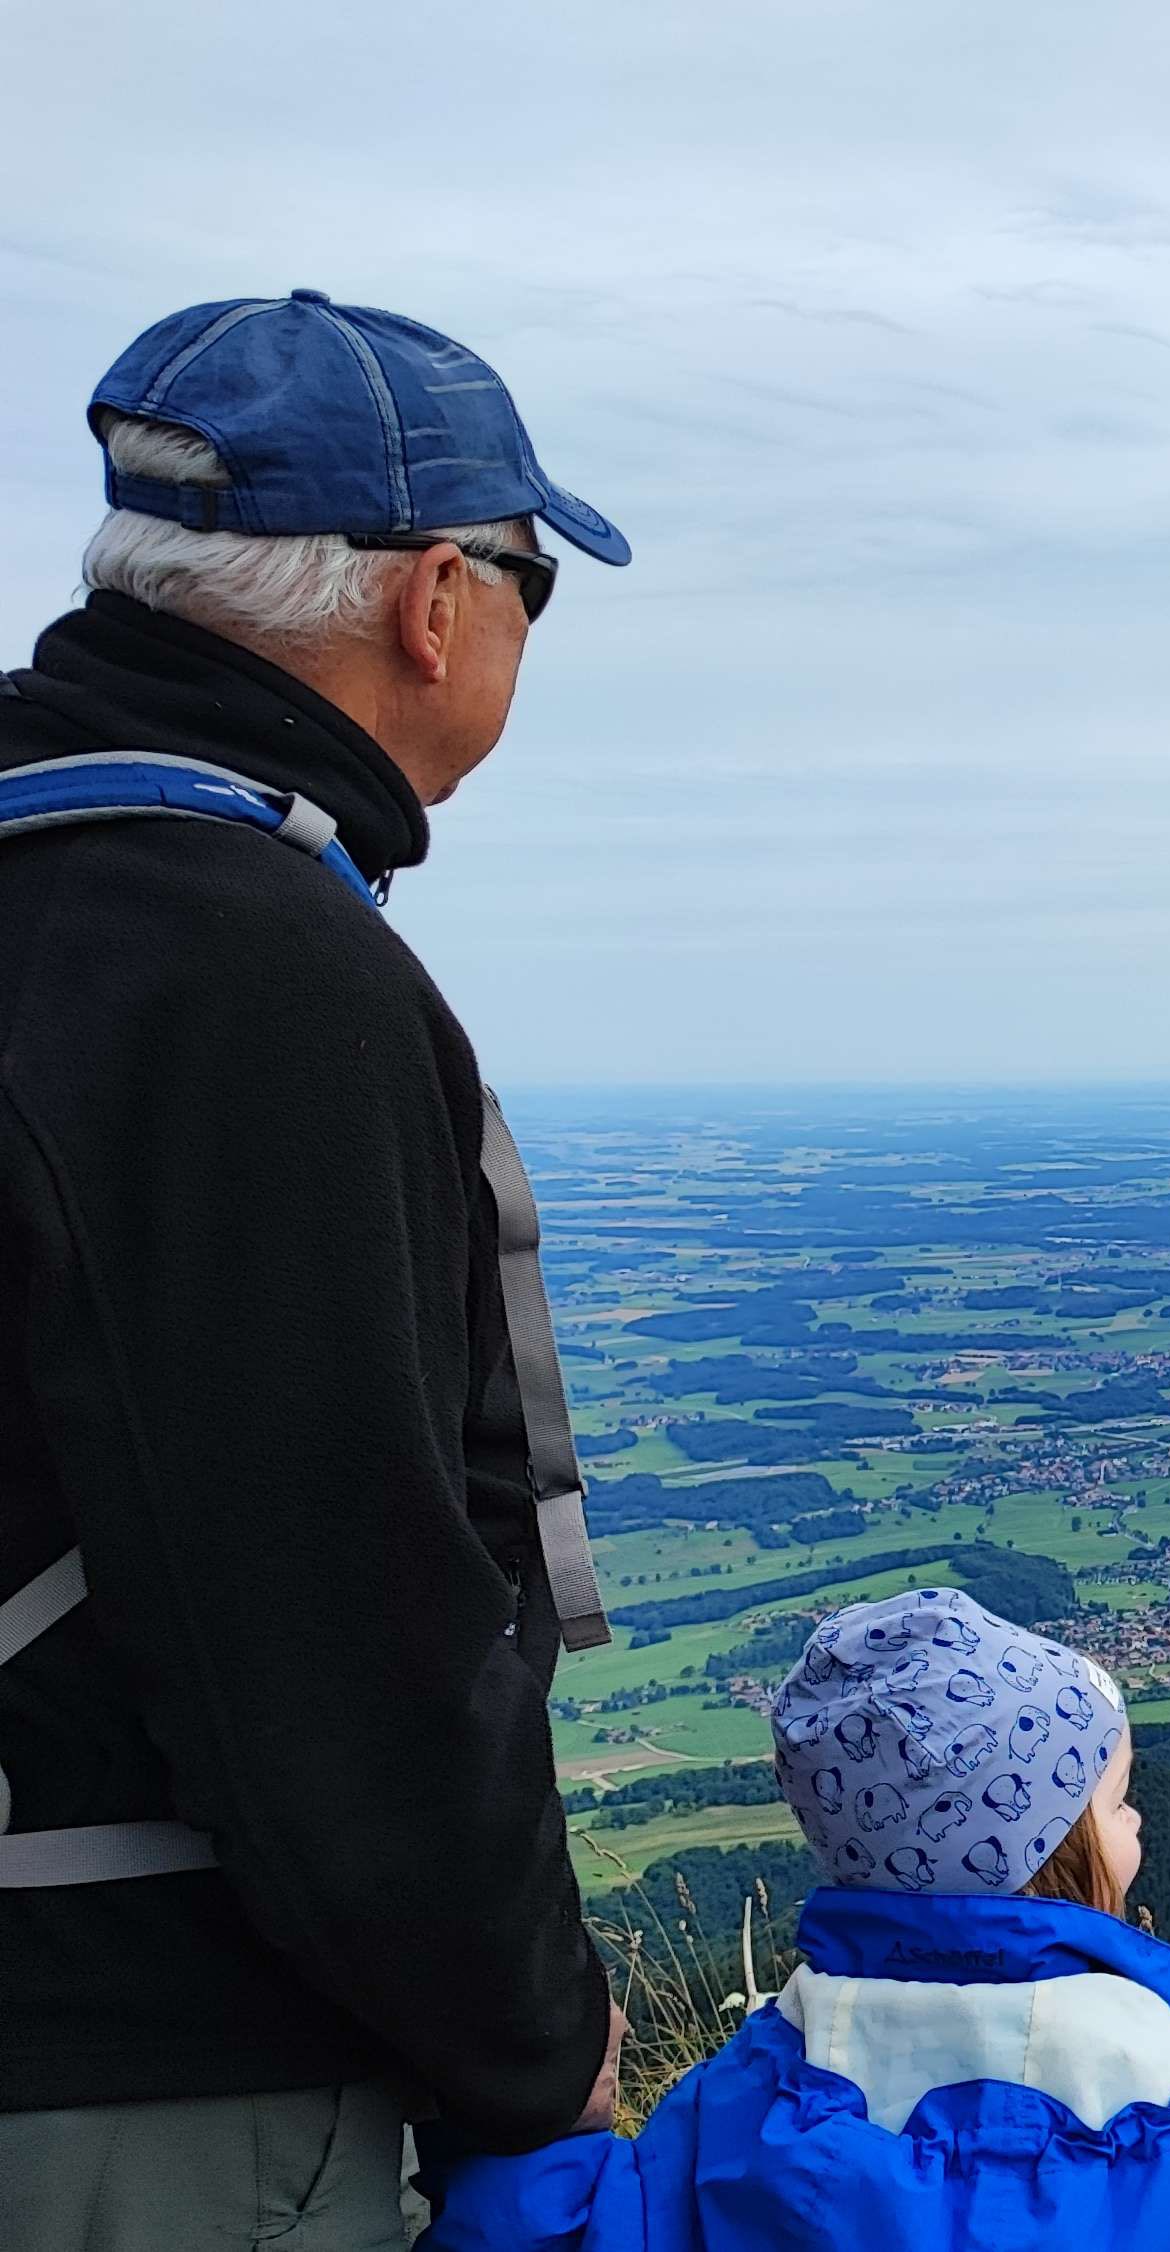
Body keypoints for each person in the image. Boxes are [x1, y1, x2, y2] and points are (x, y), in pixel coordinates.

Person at [0, 294, 636, 2248]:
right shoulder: (245, 965)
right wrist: (542, 2043)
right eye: (534, 585)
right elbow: (341, 1625)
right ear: (434, 599)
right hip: (135, 2069)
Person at [421, 1588, 1170, 2252]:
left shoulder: (754, 2091)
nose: (1139, 1822)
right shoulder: (1156, 2096)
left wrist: (543, 2120)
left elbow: (579, 2233)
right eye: (1116, 1801)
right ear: (1047, 1851)